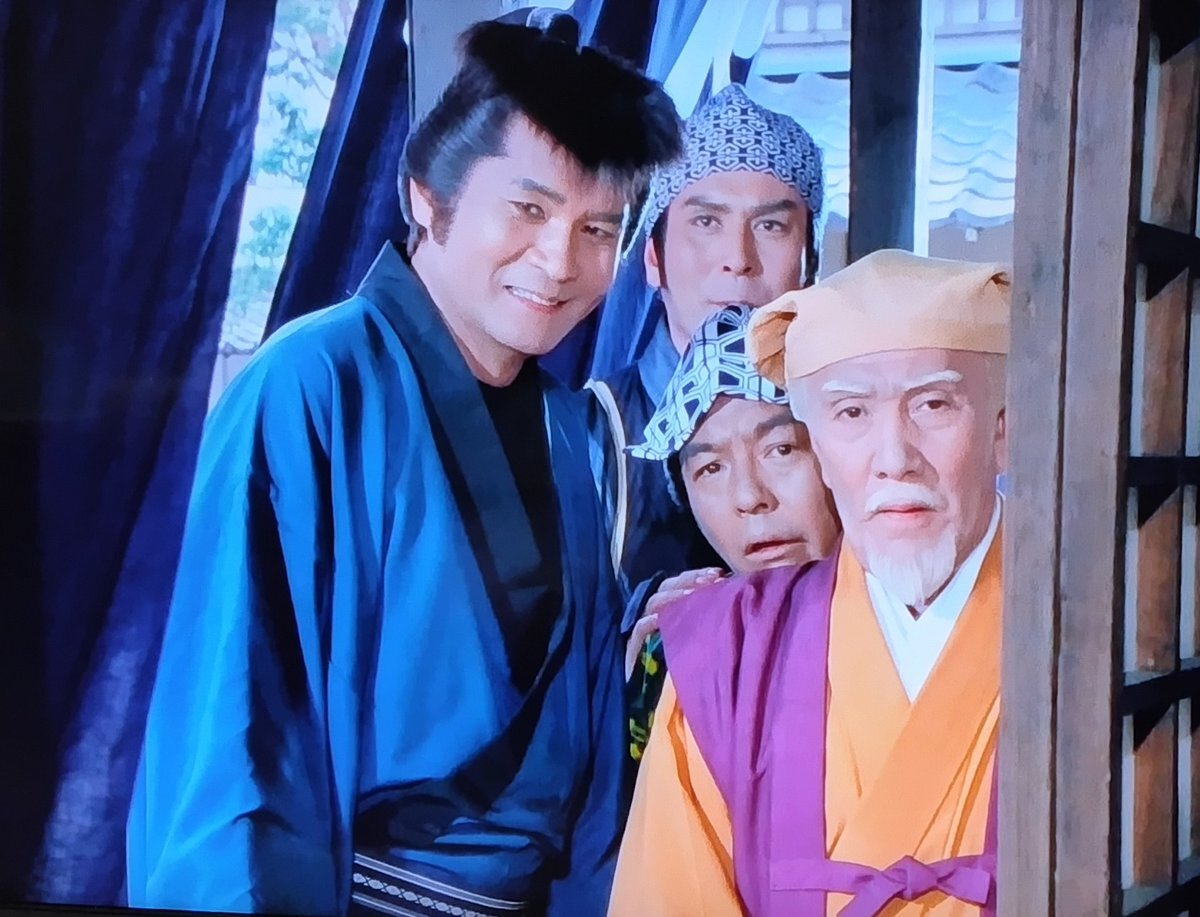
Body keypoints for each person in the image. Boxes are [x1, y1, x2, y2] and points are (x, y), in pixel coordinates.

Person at [126, 15, 681, 917]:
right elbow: (233, 732)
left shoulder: (573, 432)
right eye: (529, 210)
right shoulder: (310, 384)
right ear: (427, 195)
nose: (559, 260)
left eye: (597, 229)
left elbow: (583, 784)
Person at [609, 250, 1010, 916]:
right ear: (822, 443)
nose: (893, 459)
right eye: (851, 414)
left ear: (1004, 428)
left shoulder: (1091, 629)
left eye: (933, 404)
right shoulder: (718, 655)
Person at [586, 83, 825, 762]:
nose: (738, 258)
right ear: (652, 257)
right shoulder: (586, 431)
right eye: (706, 222)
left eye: (771, 226)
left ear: (809, 262)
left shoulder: (845, 414)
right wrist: (628, 647)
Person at [620, 305, 840, 753]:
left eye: (781, 449)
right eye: (711, 468)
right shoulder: (682, 653)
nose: (749, 496)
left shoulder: (922, 617)